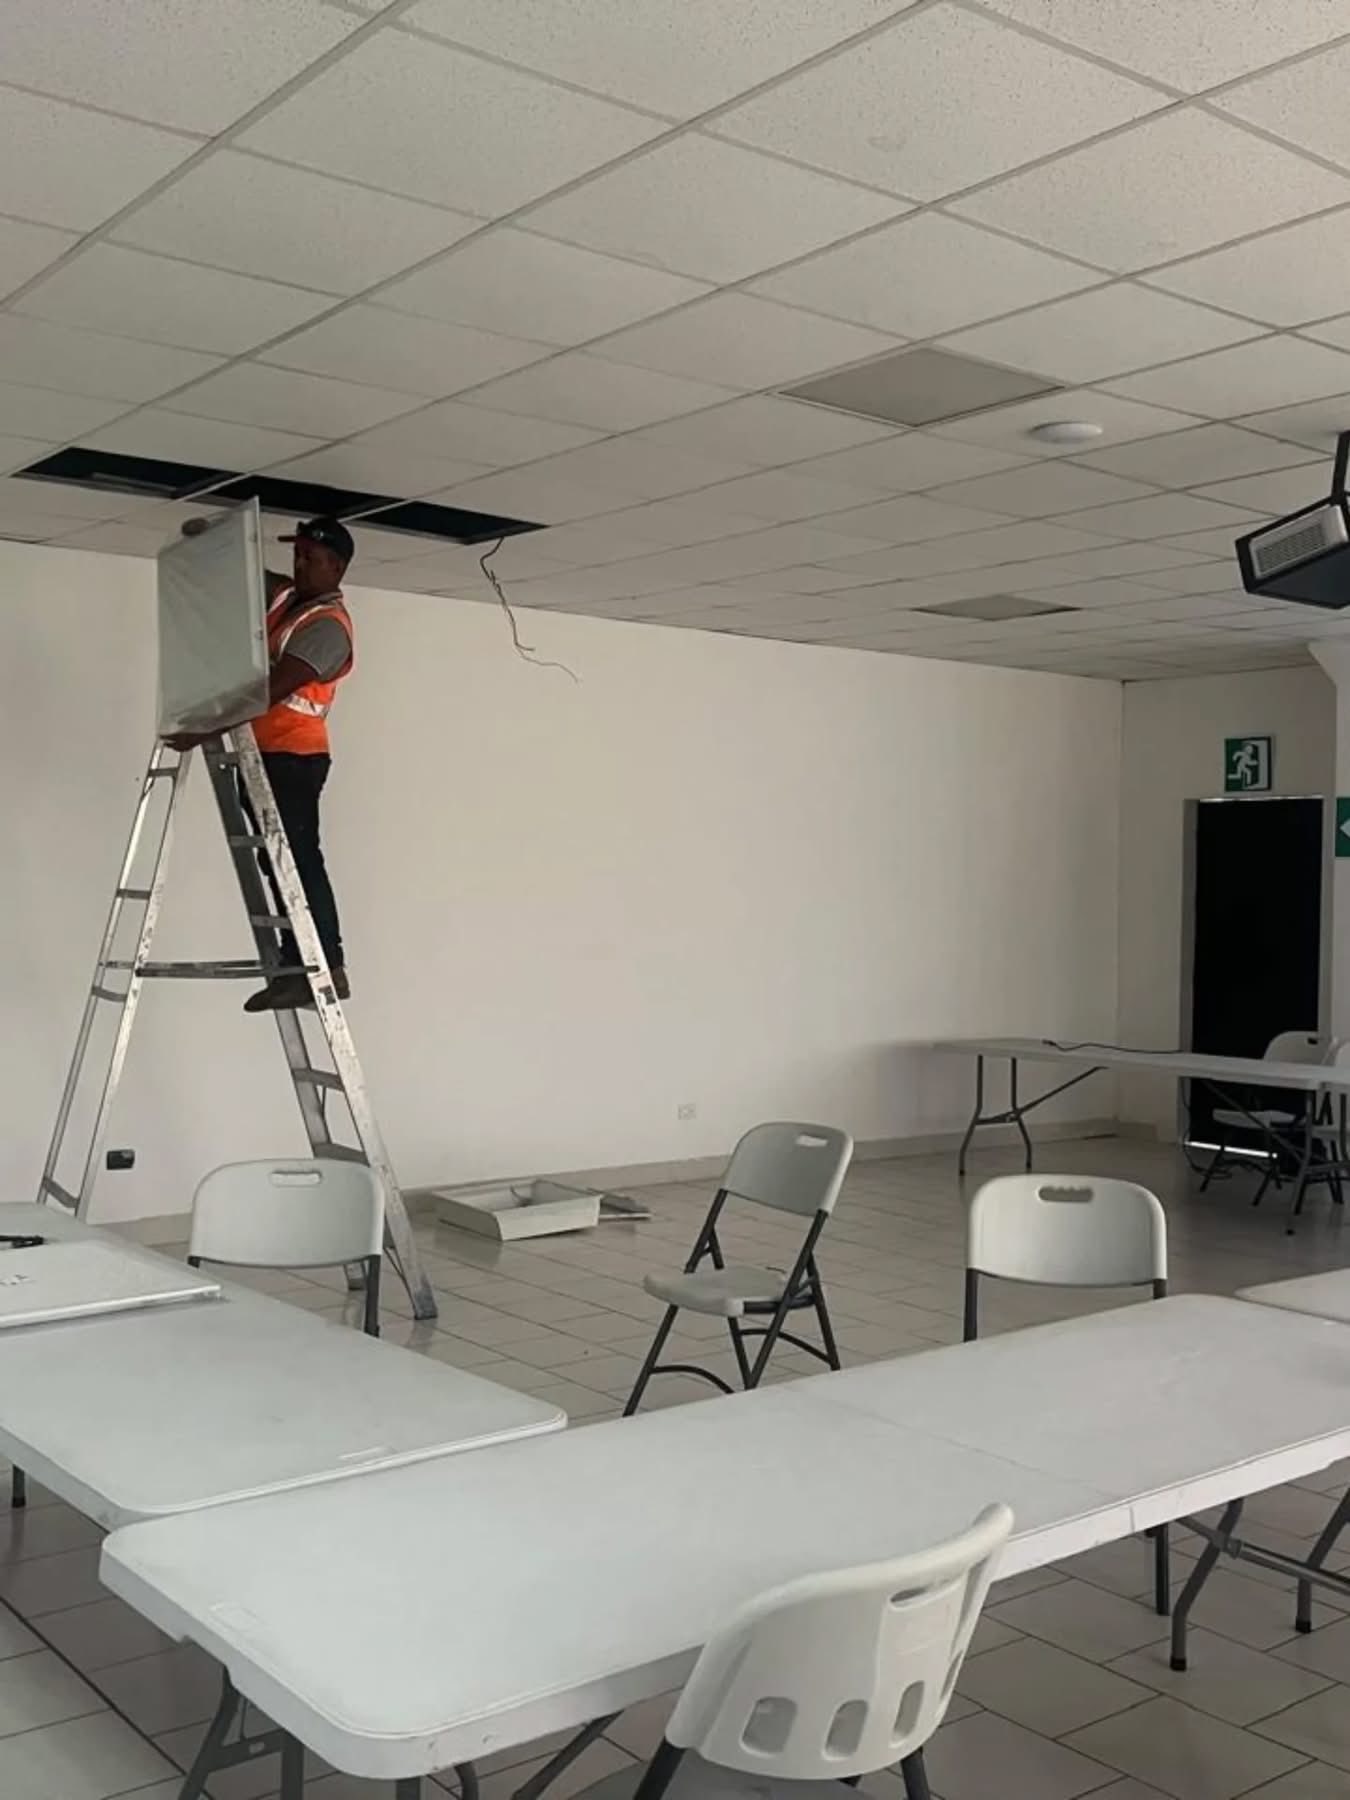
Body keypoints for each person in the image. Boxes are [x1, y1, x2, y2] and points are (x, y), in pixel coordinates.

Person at [168, 515, 356, 1014]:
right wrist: (214, 542)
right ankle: (299, 966)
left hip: (295, 758)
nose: (300, 563)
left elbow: (271, 690)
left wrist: (203, 729)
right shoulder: (288, 600)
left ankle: (328, 968)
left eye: (311, 558)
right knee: (278, 862)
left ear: (337, 568)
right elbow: (250, 574)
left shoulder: (327, 629)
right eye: (297, 554)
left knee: (299, 860)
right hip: (266, 754)